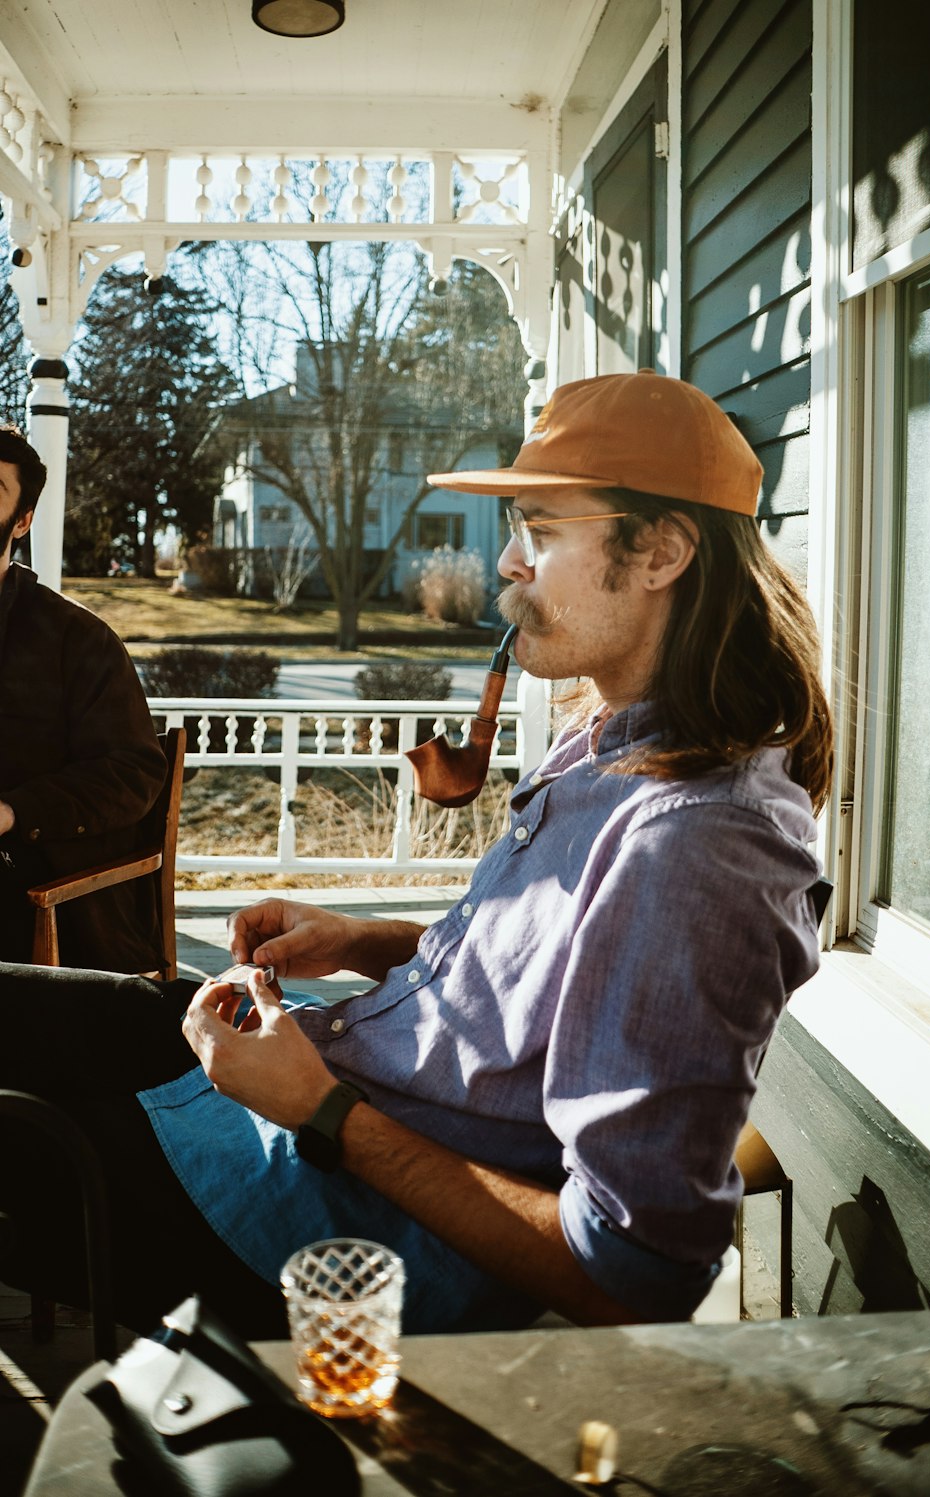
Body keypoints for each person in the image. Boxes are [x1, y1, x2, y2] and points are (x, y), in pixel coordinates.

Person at [0, 373, 832, 1338]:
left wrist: (319, 1114)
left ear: (662, 551)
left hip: (313, 1220)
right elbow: (549, 976)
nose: (509, 563)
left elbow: (634, 1274)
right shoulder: (610, 737)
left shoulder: (698, 844)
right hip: (320, 1075)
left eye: (544, 532)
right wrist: (366, 939)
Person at [0, 424, 168, 970]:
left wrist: (12, 812)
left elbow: (132, 772)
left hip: (35, 885)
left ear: (21, 520)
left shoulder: (76, 639)